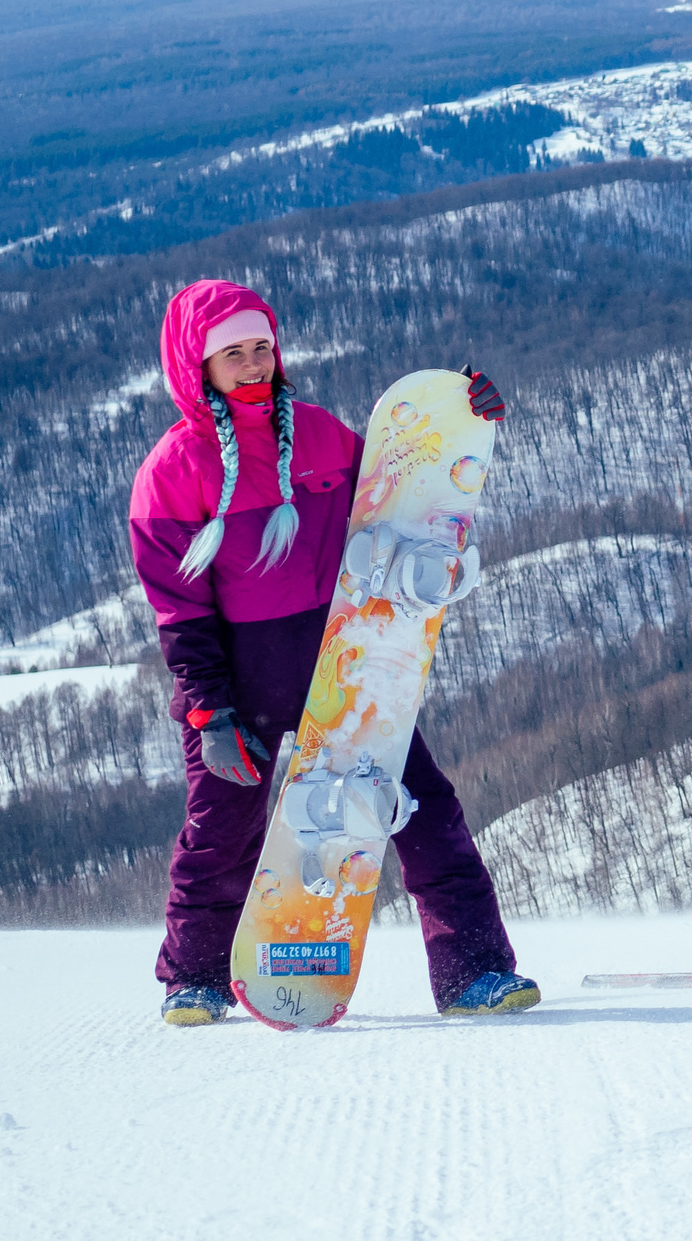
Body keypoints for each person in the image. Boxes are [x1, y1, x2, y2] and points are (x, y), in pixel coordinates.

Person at [130, 279, 536, 1024]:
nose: (253, 365)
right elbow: (178, 609)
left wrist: (459, 419)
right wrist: (209, 712)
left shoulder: (318, 435)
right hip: (237, 680)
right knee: (222, 827)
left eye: (262, 348)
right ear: (198, 364)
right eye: (233, 354)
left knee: (421, 809)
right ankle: (195, 977)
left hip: (345, 664)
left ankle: (474, 969)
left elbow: (403, 490)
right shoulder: (171, 471)